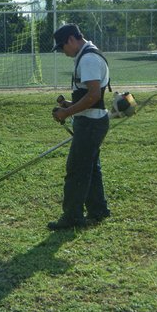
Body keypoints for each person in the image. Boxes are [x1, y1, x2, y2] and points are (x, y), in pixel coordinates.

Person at [49, 23, 111, 230]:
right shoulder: (87, 55)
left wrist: (67, 112)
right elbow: (89, 94)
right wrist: (68, 104)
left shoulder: (88, 59)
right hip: (93, 120)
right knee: (91, 168)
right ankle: (98, 210)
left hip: (91, 123)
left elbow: (94, 95)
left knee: (77, 170)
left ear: (71, 40)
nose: (62, 52)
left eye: (62, 47)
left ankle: (73, 217)